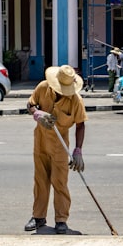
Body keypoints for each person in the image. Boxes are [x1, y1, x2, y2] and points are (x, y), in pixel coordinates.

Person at [24, 64, 88, 235]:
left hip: (60, 147)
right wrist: (36, 113)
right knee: (40, 181)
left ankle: (61, 220)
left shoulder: (76, 101)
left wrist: (78, 150)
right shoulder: (43, 87)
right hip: (41, 142)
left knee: (59, 182)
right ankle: (38, 217)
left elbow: (80, 125)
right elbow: (30, 104)